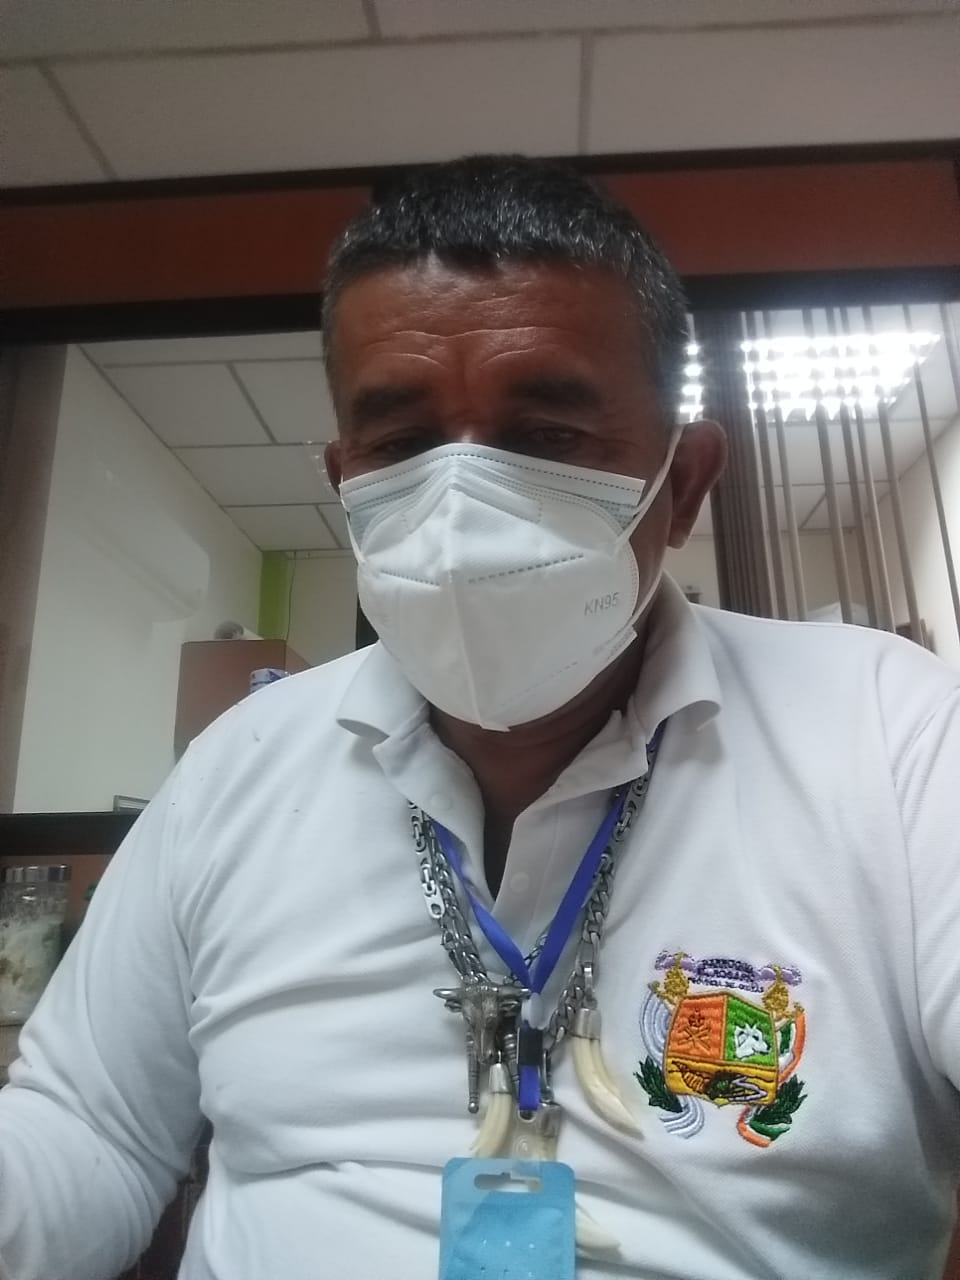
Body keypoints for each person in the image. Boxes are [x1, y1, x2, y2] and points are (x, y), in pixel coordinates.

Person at [1, 155, 958, 1280]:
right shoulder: (237, 767)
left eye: (546, 435)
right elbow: (91, 1126)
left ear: (684, 484)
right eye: (402, 445)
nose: (459, 513)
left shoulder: (889, 733)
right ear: (345, 481)